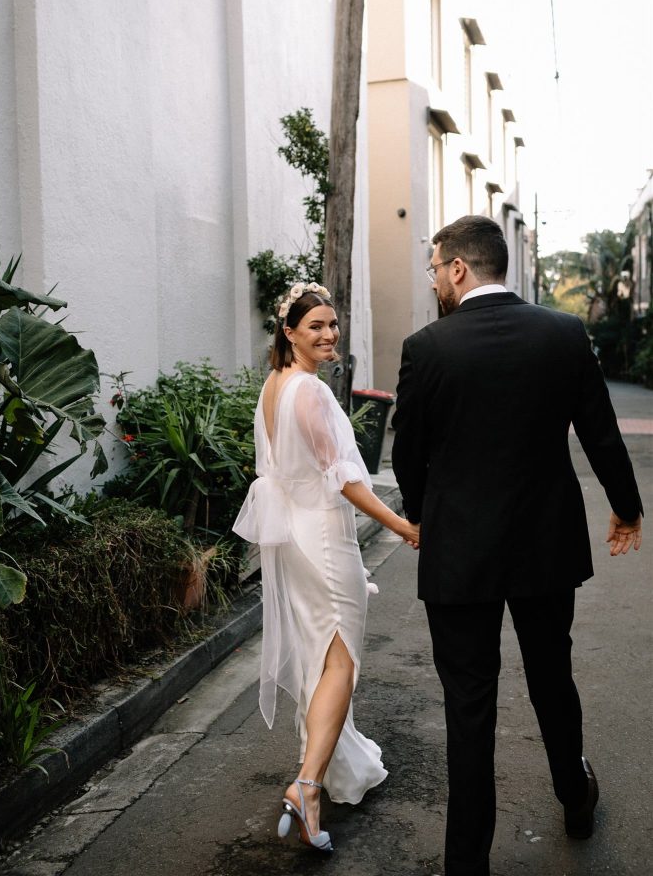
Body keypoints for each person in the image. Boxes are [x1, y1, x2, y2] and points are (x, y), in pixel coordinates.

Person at [391, 215, 643, 876]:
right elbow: (599, 431)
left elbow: (408, 453)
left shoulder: (426, 348)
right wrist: (626, 507)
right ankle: (574, 795)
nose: (434, 280)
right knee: (551, 676)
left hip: (459, 551)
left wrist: (420, 516)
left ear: (457, 268)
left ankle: (466, 862)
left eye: (434, 268)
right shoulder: (563, 333)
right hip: (543, 544)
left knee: (468, 706)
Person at [234, 280, 419, 853]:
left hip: (296, 535)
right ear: (289, 333)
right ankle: (308, 785)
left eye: (333, 324)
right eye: (315, 326)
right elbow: (343, 478)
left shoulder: (275, 385)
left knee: (323, 656)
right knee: (341, 659)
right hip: (322, 537)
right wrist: (402, 525)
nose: (329, 334)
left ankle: (329, 765)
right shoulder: (309, 391)